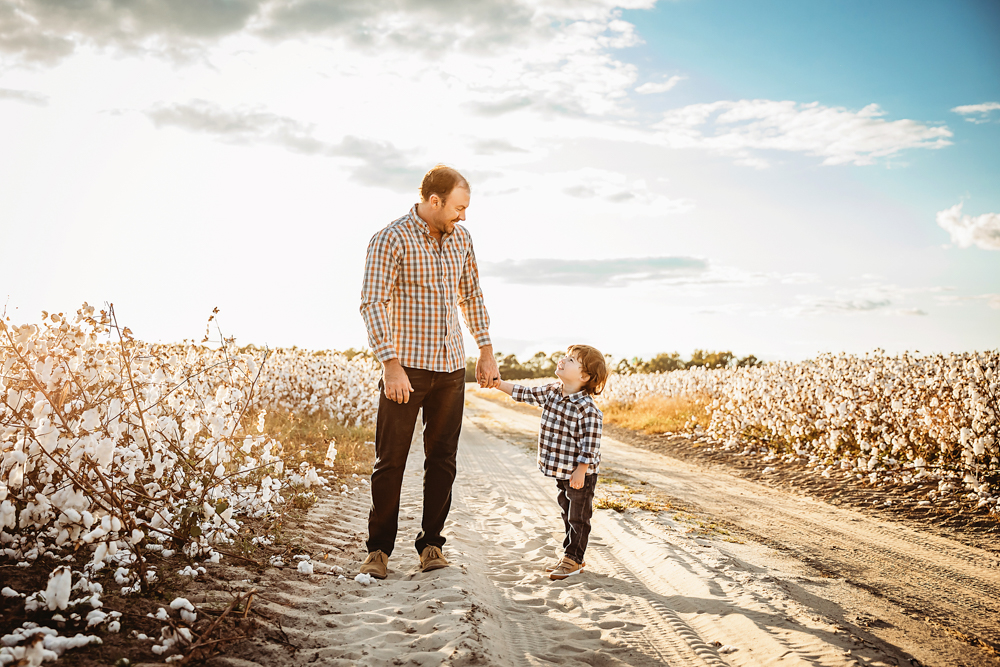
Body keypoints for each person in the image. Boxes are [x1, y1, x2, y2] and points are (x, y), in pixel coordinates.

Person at [359, 165, 500, 580]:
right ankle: (378, 551)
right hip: (406, 370)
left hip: (451, 367)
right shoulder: (391, 238)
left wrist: (485, 350)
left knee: (443, 461)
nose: (463, 216)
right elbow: (372, 302)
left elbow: (471, 295)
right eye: (458, 208)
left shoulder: (463, 240)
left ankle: (432, 545)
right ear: (433, 201)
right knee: (391, 461)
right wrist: (390, 365)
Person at [493, 345, 607, 580]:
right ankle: (570, 555)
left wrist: (581, 471)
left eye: (572, 360)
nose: (563, 360)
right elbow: (525, 393)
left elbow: (590, 445)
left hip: (579, 474)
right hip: (561, 471)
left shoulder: (588, 409)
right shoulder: (553, 392)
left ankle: (573, 559)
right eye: (565, 356)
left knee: (578, 516)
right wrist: (498, 384)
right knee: (567, 513)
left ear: (584, 376)